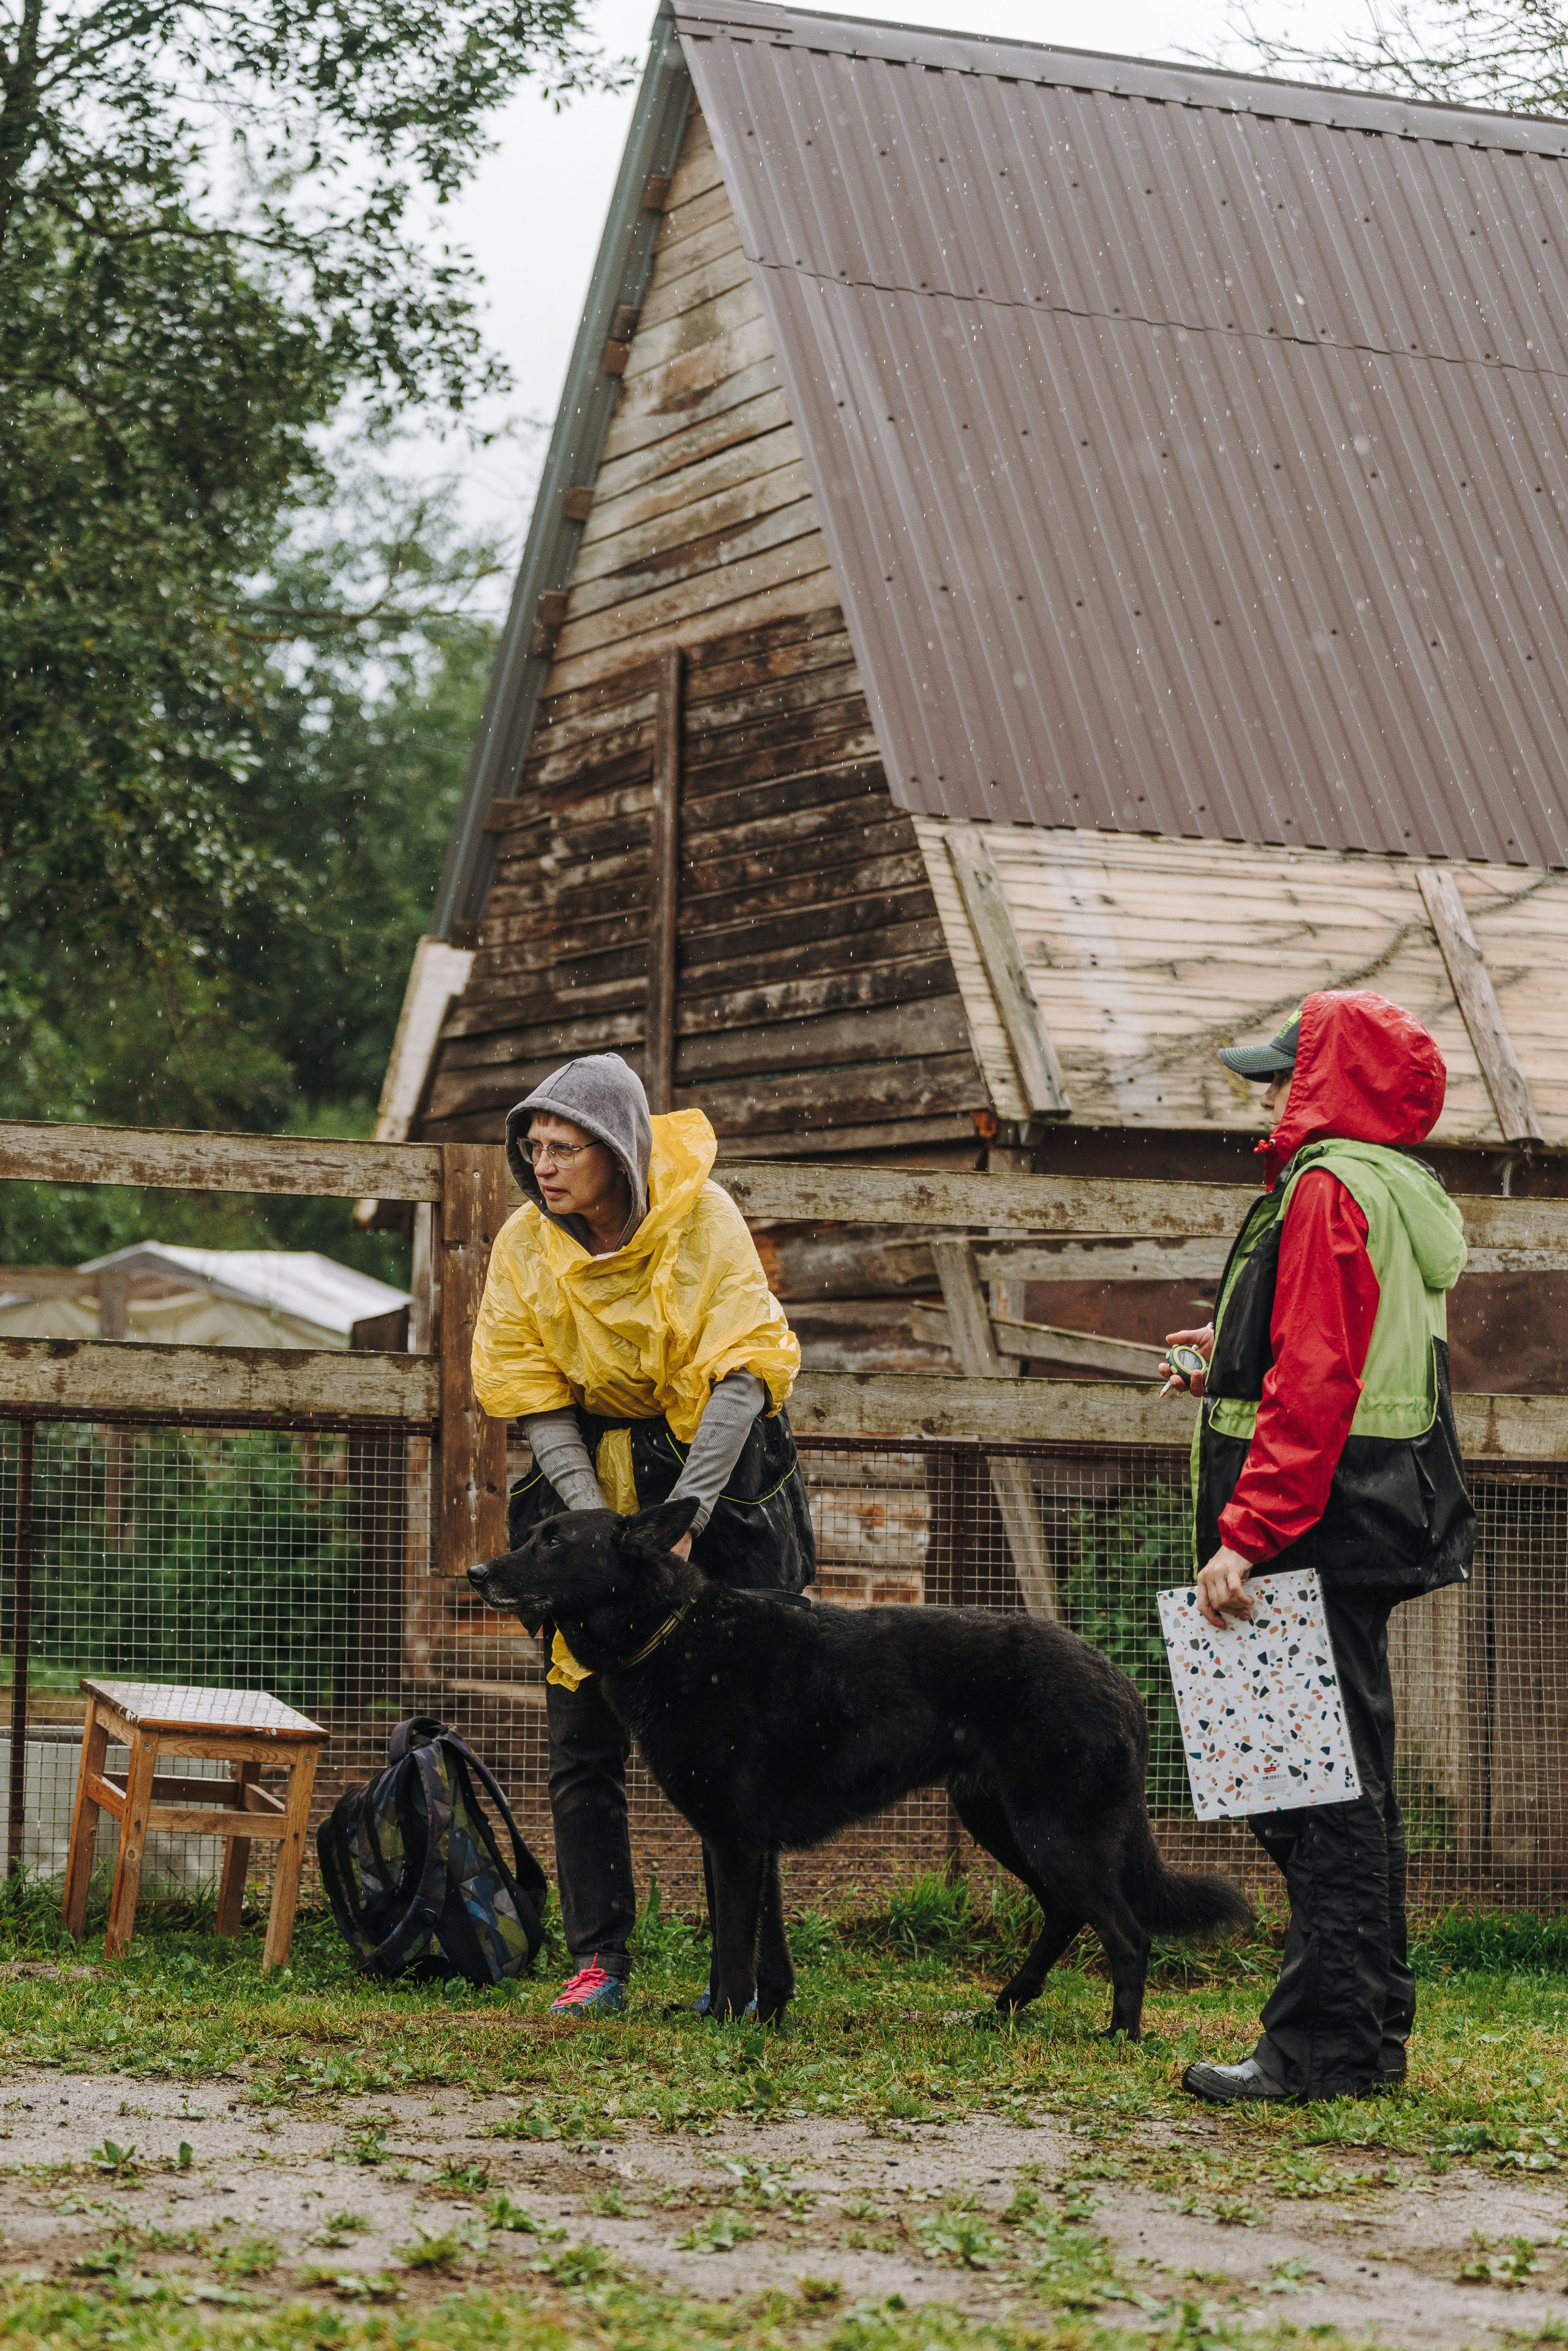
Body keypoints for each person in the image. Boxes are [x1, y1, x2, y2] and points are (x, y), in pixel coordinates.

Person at [1160, 990, 1474, 2104]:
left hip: (1313, 1524)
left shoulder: (1328, 1187)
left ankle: (1322, 2047)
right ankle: (1370, 2030)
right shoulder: (1390, 1185)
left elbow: (1319, 1379)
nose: (1267, 1099)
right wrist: (1228, 1348)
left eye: (1282, 1078)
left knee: (1310, 1791)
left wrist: (1245, 1535)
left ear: (1327, 1082)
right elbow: (1343, 1343)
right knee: (1349, 1784)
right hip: (1369, 1514)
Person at [470, 1053, 815, 2016]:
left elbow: (742, 1375)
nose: (543, 1165)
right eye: (533, 1146)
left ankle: (745, 1972)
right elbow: (535, 1397)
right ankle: (600, 1960)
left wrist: (682, 1522)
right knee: (582, 1729)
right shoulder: (524, 1245)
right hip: (587, 1481)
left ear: (617, 1151)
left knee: (737, 1742)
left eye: (563, 1147)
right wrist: (599, 1535)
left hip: (715, 1471)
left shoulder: (703, 1217)